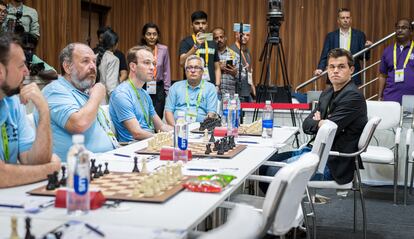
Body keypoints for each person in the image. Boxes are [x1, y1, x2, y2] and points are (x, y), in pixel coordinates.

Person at [260, 48, 367, 192]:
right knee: (264, 165)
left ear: (351, 70)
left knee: (273, 172)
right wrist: (321, 122)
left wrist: (322, 122)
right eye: (332, 67)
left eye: (341, 67)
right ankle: (282, 210)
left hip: (332, 163)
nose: (335, 71)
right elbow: (306, 124)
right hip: (314, 151)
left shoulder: (353, 96)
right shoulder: (328, 92)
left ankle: (284, 211)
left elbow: (329, 129)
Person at [38, 43, 118, 162]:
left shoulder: (84, 92)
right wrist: (96, 96)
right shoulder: (55, 90)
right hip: (75, 170)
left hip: (107, 160)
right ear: (67, 67)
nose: (92, 67)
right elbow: (78, 124)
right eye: (85, 61)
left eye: (94, 62)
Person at [0, 32, 60, 188]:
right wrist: (50, 169)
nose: (27, 71)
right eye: (20, 66)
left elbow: (35, 160)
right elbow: (2, 176)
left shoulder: (13, 102)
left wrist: (44, 110)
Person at [109, 46, 172, 142]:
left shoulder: (145, 94)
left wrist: (179, 132)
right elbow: (136, 133)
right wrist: (162, 138)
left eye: (153, 64)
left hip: (149, 142)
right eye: (147, 63)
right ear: (133, 66)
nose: (152, 68)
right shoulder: (121, 94)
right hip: (132, 148)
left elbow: (161, 126)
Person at [314, 8, 372, 85]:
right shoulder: (331, 36)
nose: (345, 20)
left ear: (350, 19)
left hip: (352, 74)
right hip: (335, 73)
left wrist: (367, 48)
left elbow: (364, 57)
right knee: (334, 97)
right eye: (343, 18)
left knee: (352, 97)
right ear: (338, 20)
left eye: (347, 18)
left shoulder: (359, 35)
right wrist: (320, 69)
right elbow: (325, 55)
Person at [165, 55, 218, 126]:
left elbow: (211, 114)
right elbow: (168, 112)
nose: (193, 71)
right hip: (177, 127)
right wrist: (175, 129)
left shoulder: (210, 88)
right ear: (185, 71)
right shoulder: (175, 87)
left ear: (202, 71)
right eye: (189, 67)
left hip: (200, 129)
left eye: (196, 67)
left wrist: (202, 129)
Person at [178, 10, 221, 90]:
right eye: (197, 23)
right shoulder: (186, 41)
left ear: (207, 25)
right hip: (192, 87)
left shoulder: (212, 42)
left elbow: (217, 67)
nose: (201, 26)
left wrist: (217, 85)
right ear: (192, 25)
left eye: (203, 23)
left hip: (210, 87)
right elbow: (181, 63)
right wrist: (195, 46)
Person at [378, 18, 414, 104]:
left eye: (404, 28)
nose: (400, 30)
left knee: (409, 118)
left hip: (411, 98)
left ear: (411, 31)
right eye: (398, 28)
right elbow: (383, 75)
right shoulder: (387, 51)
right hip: (390, 97)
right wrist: (379, 96)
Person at [140, 22, 171, 118]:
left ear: (158, 36)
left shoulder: (164, 49)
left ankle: (157, 133)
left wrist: (167, 91)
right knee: (144, 115)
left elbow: (166, 71)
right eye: (149, 34)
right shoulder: (139, 50)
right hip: (143, 86)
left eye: (154, 34)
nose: (152, 37)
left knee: (157, 116)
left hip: (159, 87)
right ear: (144, 36)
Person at [212, 27, 240, 97]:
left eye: (221, 37)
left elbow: (243, 77)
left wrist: (235, 73)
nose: (219, 40)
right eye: (216, 38)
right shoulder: (209, 55)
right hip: (213, 95)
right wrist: (217, 67)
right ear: (212, 40)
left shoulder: (235, 55)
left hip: (230, 96)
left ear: (225, 38)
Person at [230, 28, 256, 102]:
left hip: (247, 91)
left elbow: (249, 71)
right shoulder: (231, 50)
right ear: (236, 35)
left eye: (247, 35)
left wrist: (253, 88)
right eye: (242, 34)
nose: (245, 37)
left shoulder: (247, 51)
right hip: (236, 91)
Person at [96, 29, 120, 103]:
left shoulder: (95, 56)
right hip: (106, 101)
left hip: (94, 98)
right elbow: (111, 87)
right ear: (115, 44)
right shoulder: (114, 59)